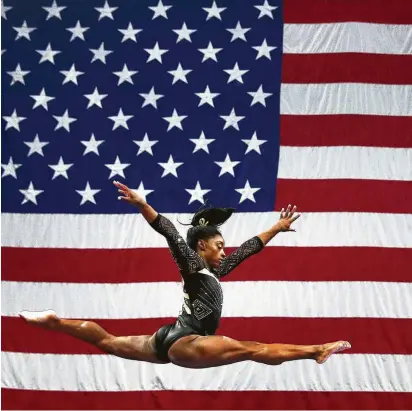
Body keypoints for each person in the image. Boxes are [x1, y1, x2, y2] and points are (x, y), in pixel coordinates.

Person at [19, 180, 351, 369]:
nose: (225, 250)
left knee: (107, 341)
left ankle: (55, 322)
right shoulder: (192, 263)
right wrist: (141, 204)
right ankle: (316, 349)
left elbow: (250, 247)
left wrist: (276, 228)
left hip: (166, 338)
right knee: (252, 348)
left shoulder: (215, 270)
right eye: (219, 245)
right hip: (186, 340)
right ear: (202, 244)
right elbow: (168, 231)